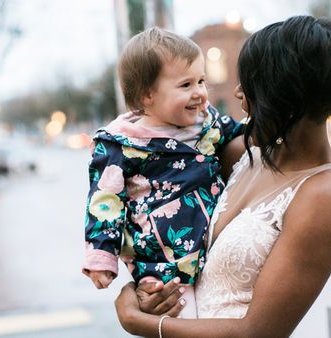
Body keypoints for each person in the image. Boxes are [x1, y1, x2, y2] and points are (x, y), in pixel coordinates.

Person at [114, 15, 331, 337]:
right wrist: (144, 290)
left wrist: (137, 320)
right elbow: (154, 211)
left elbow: (259, 331)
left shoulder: (326, 196)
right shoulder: (238, 153)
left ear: (284, 94)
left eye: (251, 82)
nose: (239, 92)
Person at [81, 27, 244, 319]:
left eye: (201, 81)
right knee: (185, 322)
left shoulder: (207, 123)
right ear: (147, 96)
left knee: (223, 313)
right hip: (162, 263)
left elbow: (239, 132)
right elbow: (105, 202)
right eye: (185, 85)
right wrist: (102, 257)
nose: (199, 93)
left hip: (215, 247)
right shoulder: (121, 144)